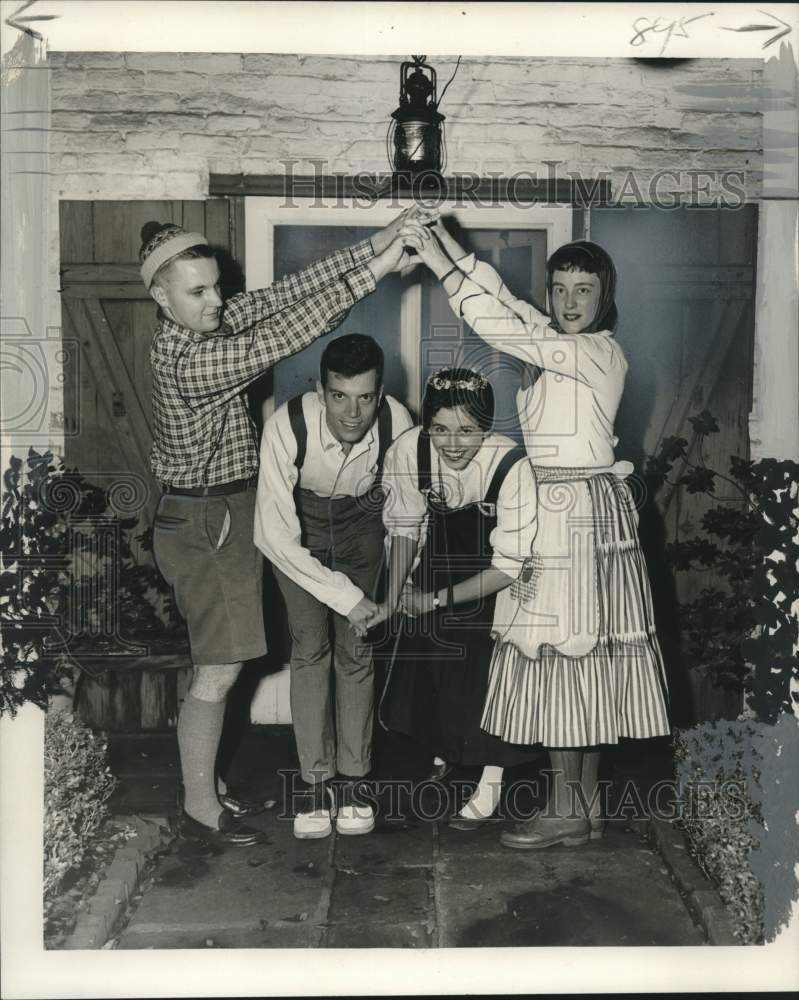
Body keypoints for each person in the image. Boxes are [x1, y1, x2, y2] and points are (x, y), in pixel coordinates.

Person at [143, 208, 431, 847]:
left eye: (216, 285)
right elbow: (286, 335)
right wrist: (381, 269)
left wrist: (379, 242)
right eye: (198, 292)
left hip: (221, 506)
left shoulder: (200, 327)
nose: (217, 300)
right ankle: (199, 805)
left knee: (225, 666)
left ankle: (206, 784)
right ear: (159, 297)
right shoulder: (189, 364)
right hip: (206, 516)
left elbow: (283, 296)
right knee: (218, 669)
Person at [414, 224, 670, 849]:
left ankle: (564, 809)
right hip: (566, 503)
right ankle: (580, 809)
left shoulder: (597, 352)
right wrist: (441, 247)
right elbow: (506, 303)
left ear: (605, 296)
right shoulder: (557, 343)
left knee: (563, 653)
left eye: (585, 290)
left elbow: (504, 327)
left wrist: (440, 266)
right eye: (560, 290)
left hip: (575, 510)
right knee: (572, 655)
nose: (570, 302)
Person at [254, 333, 413, 839]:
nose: (352, 412)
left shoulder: (398, 423)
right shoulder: (285, 426)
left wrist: (390, 594)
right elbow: (274, 537)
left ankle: (355, 781)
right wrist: (348, 597)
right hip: (299, 527)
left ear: (380, 392)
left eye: (365, 397)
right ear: (321, 392)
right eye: (340, 397)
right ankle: (313, 785)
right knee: (310, 648)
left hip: (361, 522)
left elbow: (407, 518)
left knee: (357, 649)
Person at [374, 368, 538, 829]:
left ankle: (490, 782)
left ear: (486, 426)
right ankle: (450, 753)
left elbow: (509, 566)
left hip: (498, 578)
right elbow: (405, 526)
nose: (452, 443)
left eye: (467, 430)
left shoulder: (512, 466)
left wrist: (434, 600)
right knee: (437, 667)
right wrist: (396, 593)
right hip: (441, 563)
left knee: (487, 673)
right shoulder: (409, 450)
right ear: (426, 426)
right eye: (440, 429)